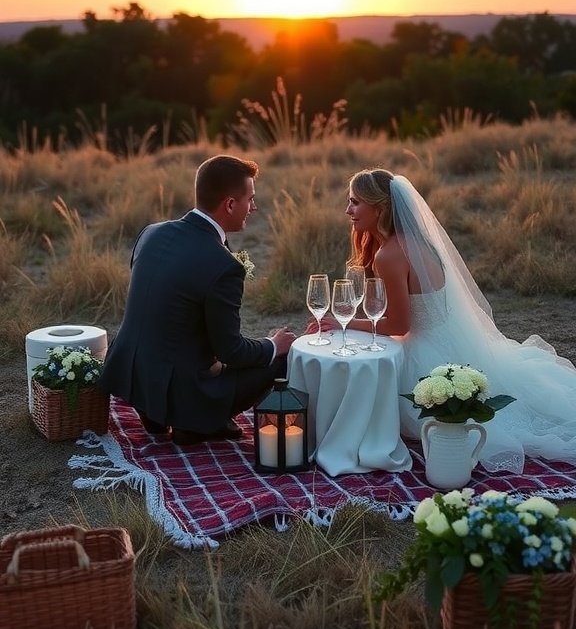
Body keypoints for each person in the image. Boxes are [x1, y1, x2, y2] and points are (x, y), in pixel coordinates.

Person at [334, 167, 576, 474]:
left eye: (355, 202)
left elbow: (399, 326)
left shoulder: (389, 255)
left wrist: (343, 323)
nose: (348, 210)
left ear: (379, 207)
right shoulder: (419, 242)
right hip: (453, 338)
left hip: (425, 354)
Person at [100, 154, 297, 445]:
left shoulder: (151, 233)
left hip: (132, 377)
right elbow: (231, 351)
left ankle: (155, 413)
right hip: (182, 390)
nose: (253, 207)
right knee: (280, 358)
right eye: (250, 199)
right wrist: (273, 346)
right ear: (230, 204)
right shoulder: (224, 265)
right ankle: (196, 423)